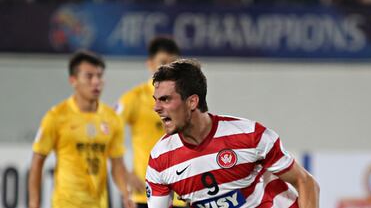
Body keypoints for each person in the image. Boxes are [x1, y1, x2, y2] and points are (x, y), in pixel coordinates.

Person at [145, 59, 320, 208]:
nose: (156, 108)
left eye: (165, 99)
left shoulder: (249, 136)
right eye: (156, 100)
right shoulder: (160, 159)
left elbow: (306, 183)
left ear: (192, 102)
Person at [29, 50, 135, 208]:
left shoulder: (112, 119)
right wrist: (34, 203)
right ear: (73, 80)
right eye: (89, 76)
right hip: (65, 204)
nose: (96, 81)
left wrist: (126, 194)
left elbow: (117, 164)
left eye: (99, 76)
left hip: (99, 204)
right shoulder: (56, 116)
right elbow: (38, 161)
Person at [116, 37, 187, 208]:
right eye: (162, 63)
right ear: (150, 64)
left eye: (174, 63)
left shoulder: (187, 100)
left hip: (181, 195)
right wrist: (125, 173)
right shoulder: (134, 98)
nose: (169, 69)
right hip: (145, 195)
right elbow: (107, 131)